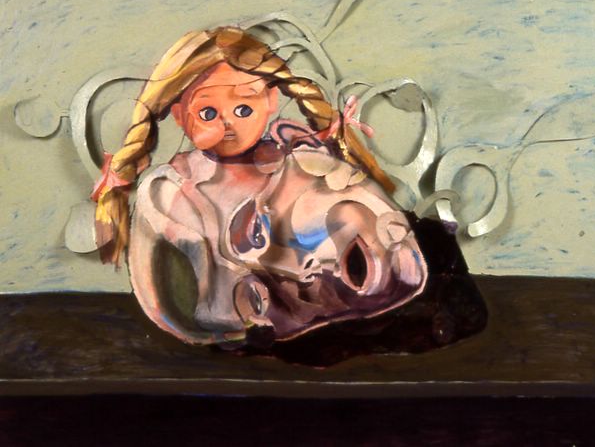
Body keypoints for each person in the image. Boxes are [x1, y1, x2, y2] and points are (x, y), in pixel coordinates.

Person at [92, 26, 427, 347]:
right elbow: (179, 297)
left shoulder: (298, 158)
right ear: (179, 116)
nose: (228, 123)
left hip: (347, 300)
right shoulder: (175, 188)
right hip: (260, 319)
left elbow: (365, 215)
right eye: (207, 113)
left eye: (243, 108)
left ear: (269, 100)